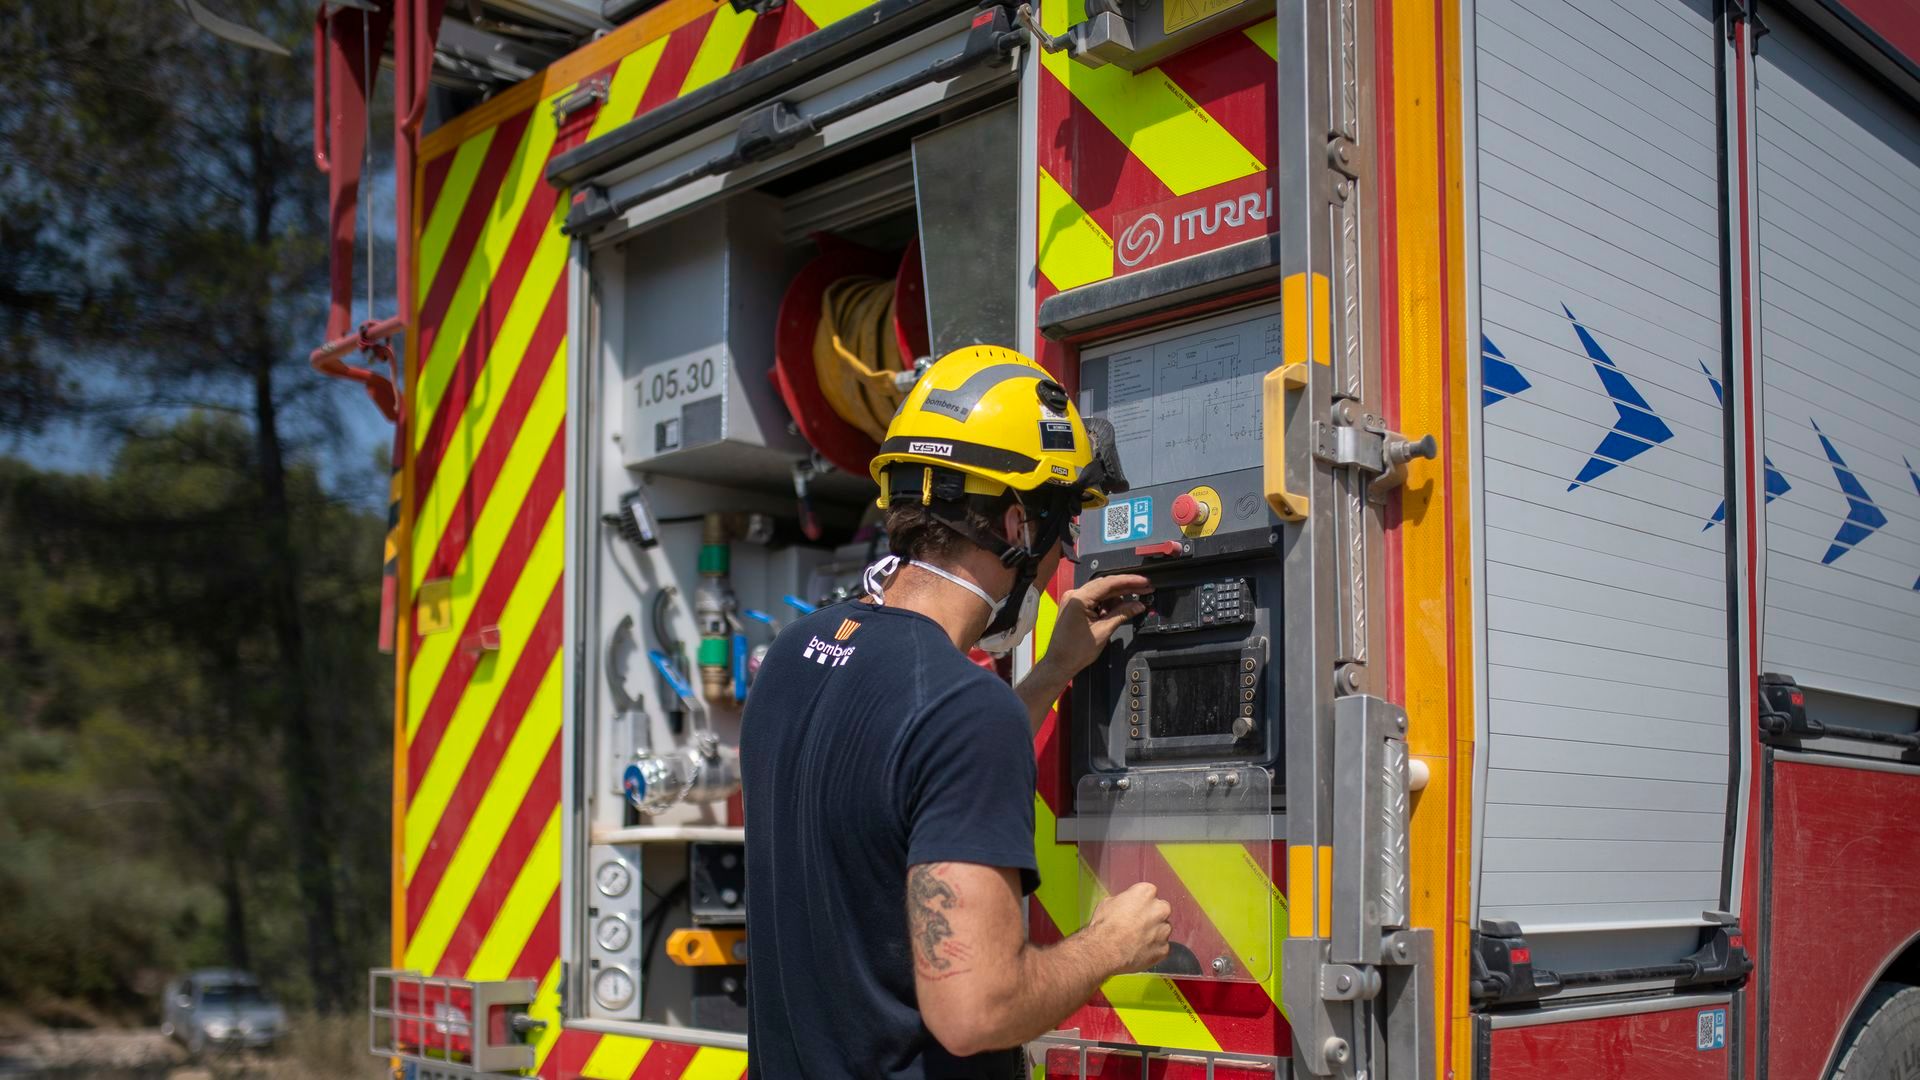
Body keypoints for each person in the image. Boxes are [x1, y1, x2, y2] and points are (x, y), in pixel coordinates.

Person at [741, 346, 1175, 1078]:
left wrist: (1051, 674)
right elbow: (976, 1012)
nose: (1057, 563)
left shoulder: (795, 653)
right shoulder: (961, 708)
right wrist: (1112, 945)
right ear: (1016, 525)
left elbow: (898, 769)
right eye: (1061, 533)